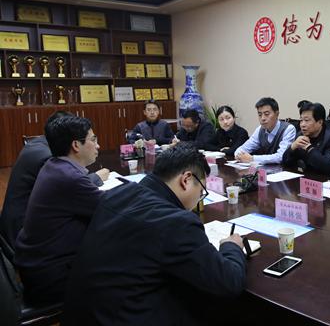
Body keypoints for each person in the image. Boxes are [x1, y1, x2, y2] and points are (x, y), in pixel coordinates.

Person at [63, 143, 246, 325]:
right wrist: (231, 247)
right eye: (201, 192)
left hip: (82, 314)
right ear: (186, 179)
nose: (199, 199)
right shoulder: (177, 223)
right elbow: (229, 283)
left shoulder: (117, 194)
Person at [14, 116, 105, 304]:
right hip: (52, 278)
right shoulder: (70, 177)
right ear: (76, 145)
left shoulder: (54, 165)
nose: (98, 145)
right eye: (93, 139)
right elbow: (112, 209)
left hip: (36, 267)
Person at [0, 112, 108, 251]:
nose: (97, 145)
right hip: (22, 232)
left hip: (21, 227)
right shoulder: (47, 157)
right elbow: (71, 185)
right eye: (93, 139)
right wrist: (97, 177)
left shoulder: (38, 145)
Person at [283, 102, 330, 174]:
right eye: (301, 120)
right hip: (303, 177)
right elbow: (285, 162)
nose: (302, 125)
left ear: (320, 122)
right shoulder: (300, 135)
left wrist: (309, 148)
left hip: (322, 179)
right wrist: (293, 147)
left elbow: (328, 167)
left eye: (306, 120)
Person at [234, 97, 296, 164]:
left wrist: (252, 158)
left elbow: (281, 156)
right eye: (260, 115)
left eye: (266, 114)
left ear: (277, 114)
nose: (263, 118)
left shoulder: (288, 129)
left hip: (284, 169)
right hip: (265, 169)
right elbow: (242, 149)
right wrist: (239, 155)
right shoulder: (260, 129)